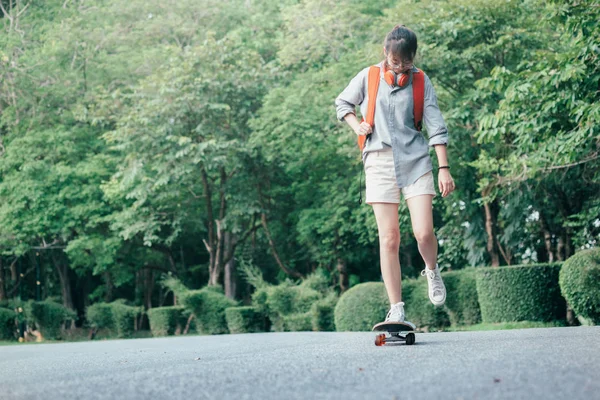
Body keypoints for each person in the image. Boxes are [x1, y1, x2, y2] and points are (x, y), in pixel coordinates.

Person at [335, 25, 455, 328]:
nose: (399, 66)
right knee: (388, 238)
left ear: (413, 57)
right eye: (394, 60)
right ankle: (396, 308)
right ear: (385, 54)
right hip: (378, 161)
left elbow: (435, 125)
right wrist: (357, 126)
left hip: (415, 160)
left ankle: (431, 269)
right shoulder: (369, 76)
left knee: (423, 232)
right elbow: (343, 103)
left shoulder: (421, 81)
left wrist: (444, 168)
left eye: (405, 61)